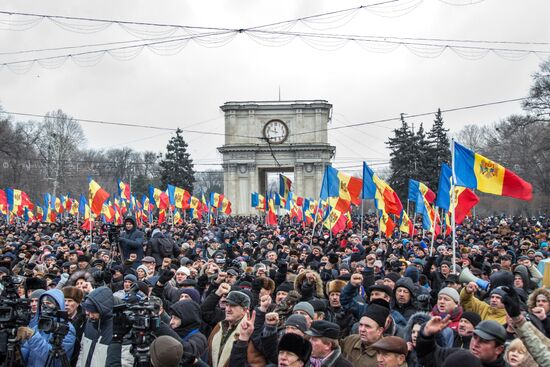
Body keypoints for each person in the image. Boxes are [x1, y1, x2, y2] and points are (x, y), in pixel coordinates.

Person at [416, 316, 508, 367]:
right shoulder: (458, 358)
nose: (475, 344)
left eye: (484, 341)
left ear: (499, 349)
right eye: (474, 337)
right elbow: (429, 356)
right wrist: (426, 335)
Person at [20, 289, 77, 367]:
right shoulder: (39, 324)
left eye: (49, 303)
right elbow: (26, 349)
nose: (45, 307)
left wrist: (32, 337)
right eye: (43, 304)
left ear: (58, 305)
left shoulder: (67, 328)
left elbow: (54, 358)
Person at [341, 299, 390, 366]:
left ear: (379, 331)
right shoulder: (350, 340)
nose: (362, 329)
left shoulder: (385, 354)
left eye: (368, 326)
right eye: (361, 325)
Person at [208, 290, 250, 367]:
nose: (227, 309)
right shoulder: (218, 327)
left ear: (244, 310)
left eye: (233, 306)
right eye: (227, 305)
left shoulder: (249, 332)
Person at [77, 286, 114, 367]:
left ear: (102, 310)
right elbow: (82, 351)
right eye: (88, 312)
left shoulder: (116, 330)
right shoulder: (90, 323)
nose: (90, 316)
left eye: (93, 312)